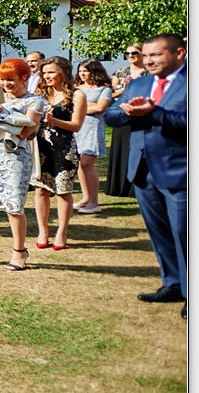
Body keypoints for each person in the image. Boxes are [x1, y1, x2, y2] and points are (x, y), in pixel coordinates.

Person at [105, 34, 187, 317]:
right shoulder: (139, 84)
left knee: (185, 233)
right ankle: (173, 283)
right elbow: (110, 116)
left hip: (180, 170)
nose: (149, 61)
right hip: (142, 170)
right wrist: (129, 113)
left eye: (156, 55)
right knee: (159, 231)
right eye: (146, 55)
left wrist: (155, 113)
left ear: (179, 53)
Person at [0, 59, 48, 270]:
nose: (6, 84)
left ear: (24, 78)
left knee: (14, 206)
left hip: (16, 156)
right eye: (2, 80)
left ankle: (19, 251)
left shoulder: (34, 102)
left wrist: (2, 113)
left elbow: (25, 132)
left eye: (10, 79)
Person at [29, 58, 86, 252]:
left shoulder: (77, 95)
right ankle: (43, 230)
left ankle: (62, 231)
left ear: (64, 72)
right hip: (41, 147)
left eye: (51, 72)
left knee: (63, 191)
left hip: (64, 148)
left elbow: (76, 125)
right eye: (44, 73)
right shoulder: (40, 94)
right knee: (41, 190)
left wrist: (54, 121)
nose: (47, 76)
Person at [106, 43, 147, 198]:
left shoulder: (150, 72)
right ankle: (120, 186)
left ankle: (137, 187)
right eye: (127, 53)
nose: (130, 56)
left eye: (134, 53)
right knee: (122, 148)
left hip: (142, 115)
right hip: (121, 114)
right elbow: (111, 94)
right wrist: (125, 89)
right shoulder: (120, 72)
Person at [74, 59, 113, 214]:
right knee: (79, 164)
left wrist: (80, 107)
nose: (82, 74)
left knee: (87, 163)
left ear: (94, 71)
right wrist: (87, 107)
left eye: (86, 71)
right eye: (80, 71)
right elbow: (70, 106)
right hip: (77, 128)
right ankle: (86, 197)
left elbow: (100, 107)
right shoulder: (76, 88)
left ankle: (94, 202)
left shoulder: (104, 89)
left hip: (92, 128)